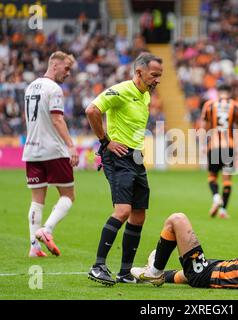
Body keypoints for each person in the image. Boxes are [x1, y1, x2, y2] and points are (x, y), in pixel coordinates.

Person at [85, 52, 163, 286]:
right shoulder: (120, 90)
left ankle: (125, 272)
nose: (157, 80)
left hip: (136, 158)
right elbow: (92, 110)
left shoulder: (145, 96)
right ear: (139, 73)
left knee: (139, 215)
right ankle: (97, 266)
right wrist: (106, 141)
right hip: (118, 156)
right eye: (154, 75)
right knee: (123, 211)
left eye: (160, 76)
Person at [22, 51, 79, 258]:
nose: (68, 73)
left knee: (37, 199)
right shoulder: (54, 89)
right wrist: (71, 146)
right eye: (66, 68)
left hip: (31, 150)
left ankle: (33, 248)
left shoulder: (30, 87)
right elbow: (57, 119)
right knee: (68, 195)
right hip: (53, 150)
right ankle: (47, 230)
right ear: (54, 65)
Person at [200, 84, 238, 219]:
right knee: (227, 180)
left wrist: (202, 144)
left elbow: (204, 127)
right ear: (229, 93)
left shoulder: (209, 105)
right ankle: (223, 210)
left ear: (218, 93)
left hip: (213, 146)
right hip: (229, 146)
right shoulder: (236, 106)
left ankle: (216, 197)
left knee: (212, 176)